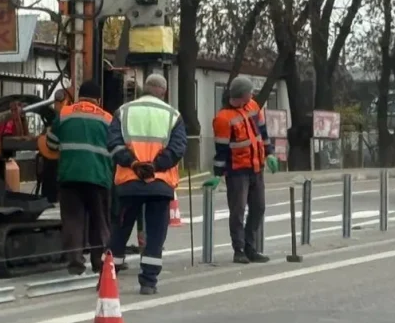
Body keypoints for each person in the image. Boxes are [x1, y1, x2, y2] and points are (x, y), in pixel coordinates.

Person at [107, 73, 187, 295]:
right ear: (163, 91)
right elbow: (178, 149)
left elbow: (113, 144)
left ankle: (107, 278)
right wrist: (155, 166)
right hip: (159, 185)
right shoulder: (173, 115)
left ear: (145, 89)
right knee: (155, 234)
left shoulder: (124, 111)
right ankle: (148, 282)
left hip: (129, 183)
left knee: (120, 231)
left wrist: (133, 164)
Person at [206, 76, 278, 265]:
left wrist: (269, 153)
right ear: (241, 94)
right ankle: (239, 250)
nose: (252, 94)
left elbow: (262, 133)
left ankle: (250, 247)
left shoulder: (253, 106)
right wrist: (218, 174)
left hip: (256, 167)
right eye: (249, 91)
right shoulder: (223, 119)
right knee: (237, 211)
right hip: (237, 171)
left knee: (259, 207)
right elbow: (221, 150)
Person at [45, 80, 113, 275]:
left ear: (79, 96)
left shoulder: (65, 114)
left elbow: (51, 143)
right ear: (98, 99)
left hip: (70, 177)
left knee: (73, 220)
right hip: (99, 178)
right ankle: (99, 261)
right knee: (99, 221)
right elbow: (115, 148)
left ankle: (75, 261)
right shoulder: (107, 119)